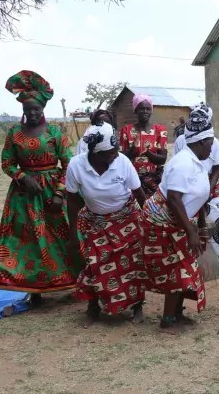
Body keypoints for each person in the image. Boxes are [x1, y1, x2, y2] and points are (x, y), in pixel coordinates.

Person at [0, 70, 81, 305]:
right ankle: (34, 290)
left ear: (43, 109)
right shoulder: (14, 133)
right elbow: (7, 163)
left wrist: (60, 192)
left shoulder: (55, 132)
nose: (32, 113)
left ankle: (73, 282)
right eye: (28, 110)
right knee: (28, 241)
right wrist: (23, 177)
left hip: (52, 193)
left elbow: (69, 163)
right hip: (24, 195)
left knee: (62, 237)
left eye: (36, 109)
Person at [66, 123, 147, 325]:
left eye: (116, 149)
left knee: (133, 264)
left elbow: (139, 193)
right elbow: (73, 201)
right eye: (111, 152)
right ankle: (93, 308)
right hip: (95, 221)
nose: (116, 154)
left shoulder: (123, 162)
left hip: (126, 219)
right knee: (93, 264)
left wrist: (147, 222)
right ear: (96, 153)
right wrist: (72, 232)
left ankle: (137, 306)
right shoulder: (76, 165)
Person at [141, 109, 214, 332]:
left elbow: (196, 197)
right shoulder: (184, 163)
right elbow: (173, 198)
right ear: (200, 142)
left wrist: (199, 226)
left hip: (179, 221)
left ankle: (176, 314)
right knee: (177, 268)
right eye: (210, 143)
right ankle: (168, 320)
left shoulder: (197, 161)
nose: (212, 148)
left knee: (184, 267)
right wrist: (191, 232)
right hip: (162, 222)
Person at [174, 103, 219, 264]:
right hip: (189, 188)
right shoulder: (182, 146)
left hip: (209, 184)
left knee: (215, 220)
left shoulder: (212, 140)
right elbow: (175, 195)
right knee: (192, 221)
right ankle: (196, 257)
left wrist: (207, 191)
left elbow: (217, 167)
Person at [120, 94, 168, 197]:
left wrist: (148, 153)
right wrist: (132, 150)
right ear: (135, 110)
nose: (145, 111)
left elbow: (162, 159)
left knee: (152, 205)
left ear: (151, 110)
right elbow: (121, 159)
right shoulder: (126, 130)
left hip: (153, 180)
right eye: (141, 108)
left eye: (148, 109)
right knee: (134, 205)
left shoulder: (160, 131)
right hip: (131, 179)